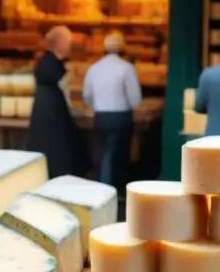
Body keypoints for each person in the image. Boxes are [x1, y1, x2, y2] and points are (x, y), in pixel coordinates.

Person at [82, 32, 142, 192]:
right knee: (118, 156)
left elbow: (86, 95)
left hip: (101, 116)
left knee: (103, 153)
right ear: (122, 49)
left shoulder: (94, 68)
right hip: (121, 117)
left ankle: (102, 187)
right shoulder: (127, 68)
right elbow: (135, 98)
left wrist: (96, 106)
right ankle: (112, 189)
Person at [27, 26, 88, 178]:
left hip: (49, 111)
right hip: (51, 113)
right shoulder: (50, 63)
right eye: (67, 42)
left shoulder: (50, 61)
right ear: (59, 43)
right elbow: (62, 86)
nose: (69, 46)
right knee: (56, 152)